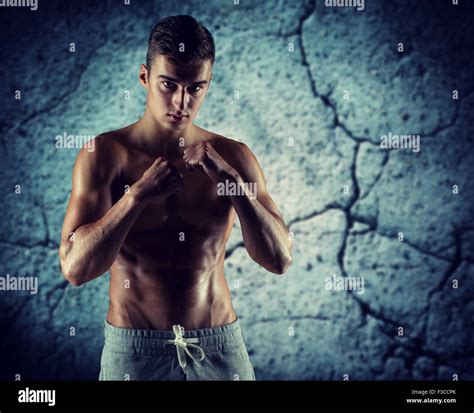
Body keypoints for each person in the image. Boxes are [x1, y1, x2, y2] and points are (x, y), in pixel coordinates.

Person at [59, 15, 293, 381]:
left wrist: (232, 182)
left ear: (209, 84)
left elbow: (280, 259)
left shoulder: (234, 157)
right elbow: (76, 269)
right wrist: (136, 197)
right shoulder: (104, 155)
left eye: (196, 88)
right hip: (135, 352)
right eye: (168, 84)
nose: (182, 101)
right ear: (144, 77)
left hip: (218, 347)